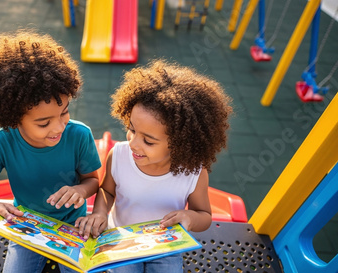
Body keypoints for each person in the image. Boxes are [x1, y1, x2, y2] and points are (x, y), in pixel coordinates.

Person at [75, 60, 233, 273]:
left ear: (180, 144)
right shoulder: (120, 155)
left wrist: (189, 217)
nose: (133, 143)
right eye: (131, 130)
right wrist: (101, 213)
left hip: (164, 245)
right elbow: (106, 191)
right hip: (122, 238)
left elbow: (204, 215)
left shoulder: (194, 172)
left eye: (148, 141)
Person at [0, 29, 102, 273]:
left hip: (74, 225)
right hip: (27, 226)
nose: (59, 127)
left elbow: (92, 180)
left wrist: (79, 189)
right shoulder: (0, 143)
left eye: (64, 112)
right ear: (14, 118)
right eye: (43, 123)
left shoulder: (79, 135)